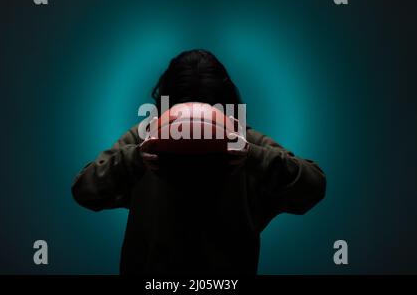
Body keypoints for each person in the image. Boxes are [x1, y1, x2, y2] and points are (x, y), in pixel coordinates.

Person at [71, 49, 326, 274]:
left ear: (224, 112)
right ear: (167, 111)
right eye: (183, 120)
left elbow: (313, 187)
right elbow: (84, 191)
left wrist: (254, 157)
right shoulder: (145, 140)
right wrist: (134, 160)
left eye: (204, 120)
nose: (193, 130)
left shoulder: (244, 142)